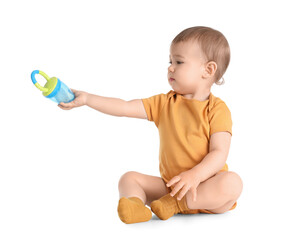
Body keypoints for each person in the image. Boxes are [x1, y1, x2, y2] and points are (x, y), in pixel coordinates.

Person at [58, 26, 243, 224]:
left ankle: (175, 205)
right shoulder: (164, 103)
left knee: (232, 183)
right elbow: (124, 107)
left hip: (206, 191)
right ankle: (137, 207)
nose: (170, 67)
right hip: (171, 188)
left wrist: (194, 176)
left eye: (179, 62)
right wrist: (87, 99)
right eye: (170, 61)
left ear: (208, 70)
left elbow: (219, 152)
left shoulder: (217, 109)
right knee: (128, 179)